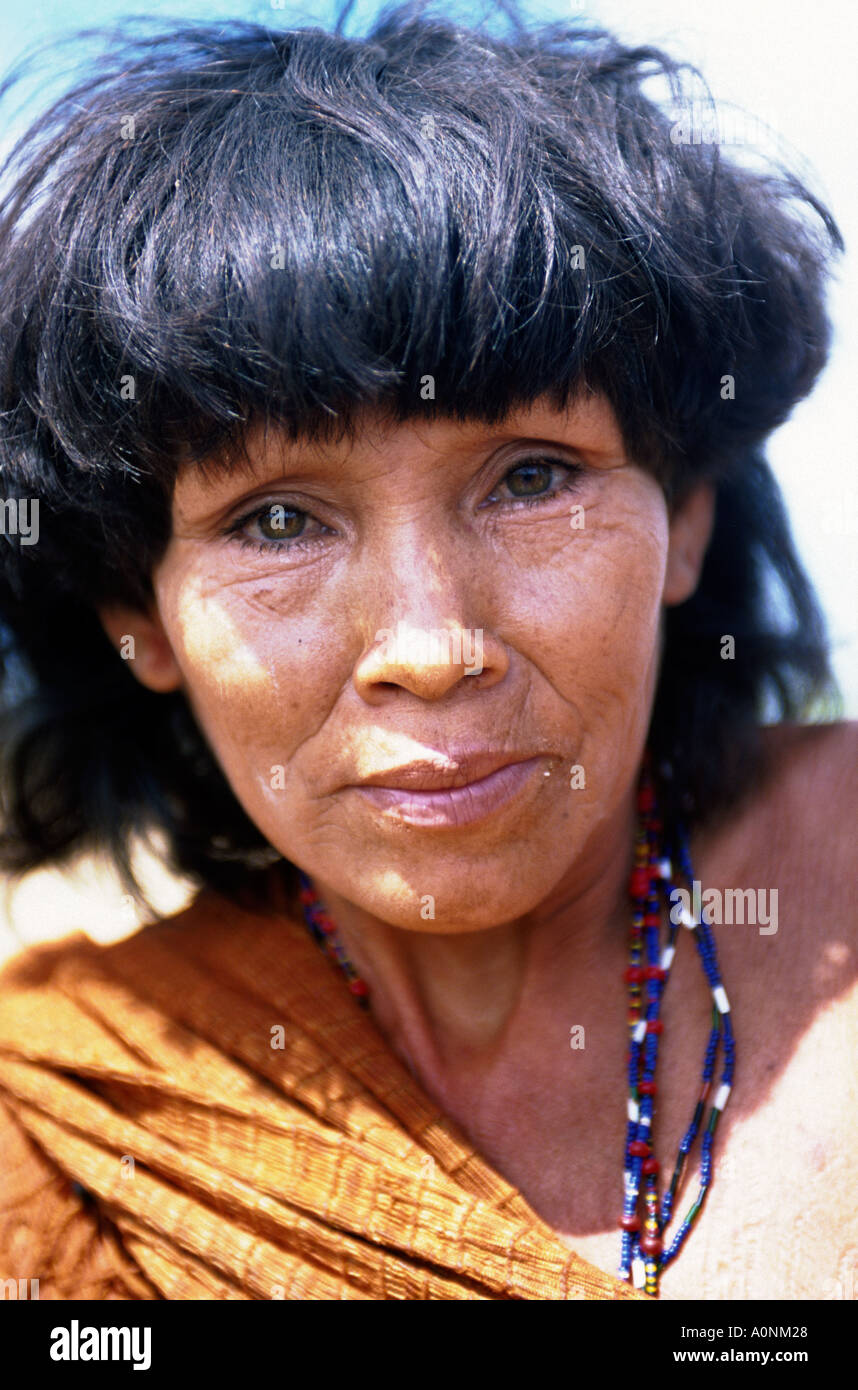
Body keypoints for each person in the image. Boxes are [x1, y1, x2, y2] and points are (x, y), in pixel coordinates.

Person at [0, 0, 854, 1301]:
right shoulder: (68, 1121)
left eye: (529, 476)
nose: (428, 644)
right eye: (275, 518)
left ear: (682, 519)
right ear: (139, 614)